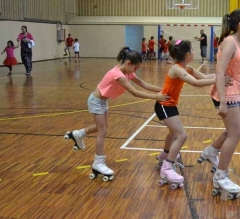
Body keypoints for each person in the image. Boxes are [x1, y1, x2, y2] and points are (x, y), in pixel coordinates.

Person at [64, 47, 169, 181]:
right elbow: (135, 92)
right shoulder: (118, 75)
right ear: (128, 63)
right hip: (95, 101)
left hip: (102, 102)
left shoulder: (127, 72)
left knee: (101, 127)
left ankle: (78, 134)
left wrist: (163, 90)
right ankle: (98, 162)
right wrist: (156, 97)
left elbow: (142, 83)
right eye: (135, 68)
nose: (135, 72)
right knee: (102, 130)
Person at [199, 9, 240, 200]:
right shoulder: (229, 43)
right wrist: (222, 102)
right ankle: (221, 175)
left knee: (235, 130)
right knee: (236, 133)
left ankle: (211, 152)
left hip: (237, 90)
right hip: (226, 94)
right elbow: (219, 72)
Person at [155, 39, 217, 189]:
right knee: (181, 135)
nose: (194, 52)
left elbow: (202, 77)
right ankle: (167, 167)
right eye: (193, 50)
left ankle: (164, 155)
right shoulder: (177, 69)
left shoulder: (186, 67)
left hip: (170, 105)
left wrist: (220, 75)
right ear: (188, 54)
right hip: (164, 105)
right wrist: (220, 80)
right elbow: (195, 83)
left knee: (172, 134)